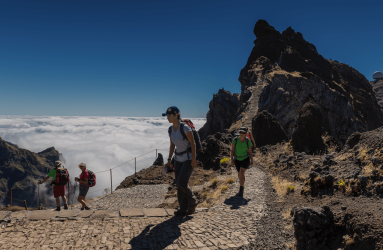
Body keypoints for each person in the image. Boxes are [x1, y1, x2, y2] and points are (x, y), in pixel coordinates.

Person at [163, 106, 198, 216]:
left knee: (181, 182)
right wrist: (169, 159)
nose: (167, 117)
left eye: (169, 115)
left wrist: (193, 159)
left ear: (176, 115)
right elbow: (172, 145)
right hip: (177, 159)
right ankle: (183, 208)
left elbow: (193, 144)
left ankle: (192, 203)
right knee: (179, 185)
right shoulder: (170, 129)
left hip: (188, 159)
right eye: (167, 116)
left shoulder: (185, 128)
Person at [230, 127, 254, 197]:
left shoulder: (248, 141)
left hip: (245, 159)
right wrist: (232, 160)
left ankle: (241, 189)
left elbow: (250, 151)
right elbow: (232, 151)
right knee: (239, 173)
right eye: (240, 132)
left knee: (242, 172)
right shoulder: (235, 140)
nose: (241, 134)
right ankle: (241, 184)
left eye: (243, 132)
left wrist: (252, 160)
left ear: (246, 133)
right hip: (237, 159)